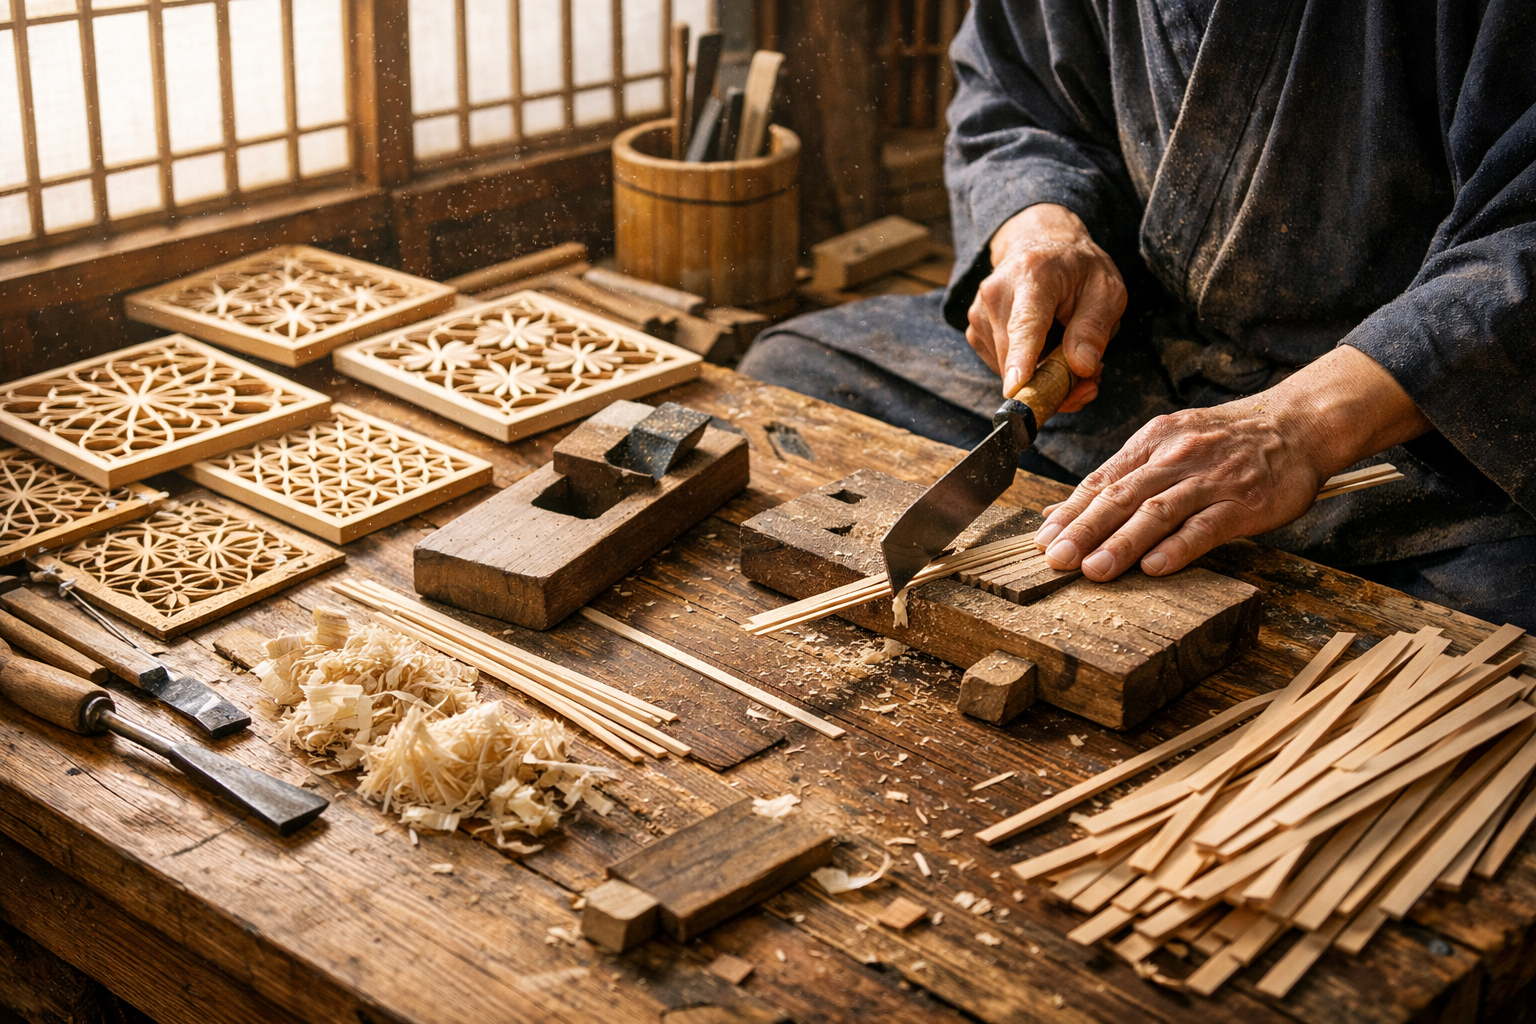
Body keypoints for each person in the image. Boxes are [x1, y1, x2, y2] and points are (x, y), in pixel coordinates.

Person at [739, 0, 1536, 628]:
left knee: (1498, 636)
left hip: (1411, 424)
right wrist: (1039, 225)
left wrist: (1301, 425)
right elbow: (1013, 100)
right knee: (797, 375)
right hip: (1140, 356)